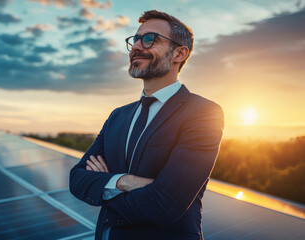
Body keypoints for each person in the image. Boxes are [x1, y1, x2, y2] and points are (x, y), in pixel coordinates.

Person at [69, 10, 224, 240]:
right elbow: (77, 179)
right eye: (135, 39)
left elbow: (165, 204)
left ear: (179, 53)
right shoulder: (117, 116)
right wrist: (125, 182)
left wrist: (105, 186)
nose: (136, 47)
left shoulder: (203, 113)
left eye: (149, 39)